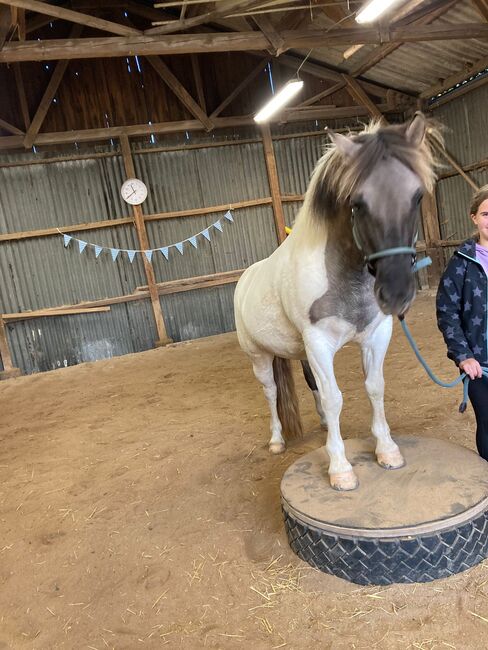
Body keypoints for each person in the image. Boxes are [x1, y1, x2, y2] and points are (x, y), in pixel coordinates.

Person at [436, 185, 488, 460]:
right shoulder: (461, 262)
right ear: (474, 218)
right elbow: (447, 312)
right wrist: (464, 356)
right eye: (486, 213)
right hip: (481, 365)